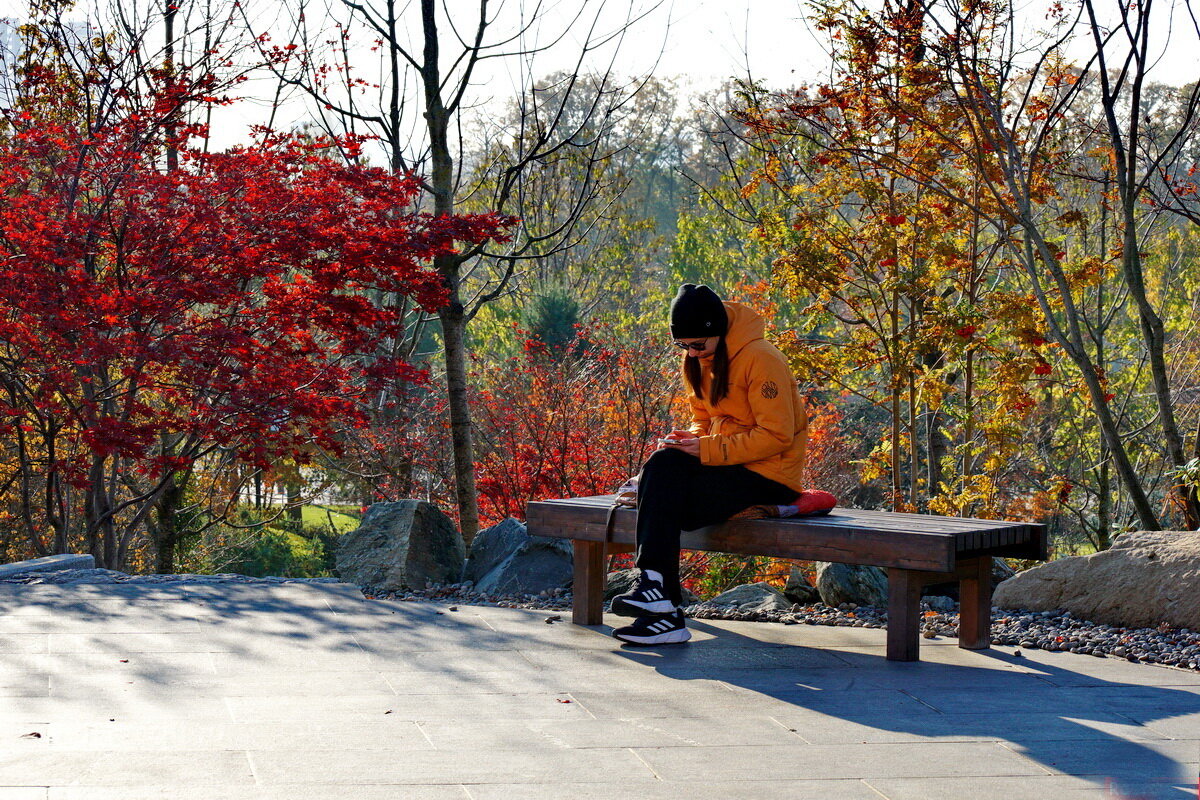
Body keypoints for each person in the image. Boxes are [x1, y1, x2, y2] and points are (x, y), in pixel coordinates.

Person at [611, 284, 809, 645]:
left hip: (769, 474)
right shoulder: (700, 359)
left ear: (716, 330)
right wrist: (688, 441)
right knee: (661, 467)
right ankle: (660, 602)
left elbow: (777, 436)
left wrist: (704, 449)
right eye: (682, 346)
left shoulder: (761, 358)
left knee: (663, 492)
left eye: (698, 345)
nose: (690, 352)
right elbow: (702, 420)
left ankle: (663, 603)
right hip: (726, 466)